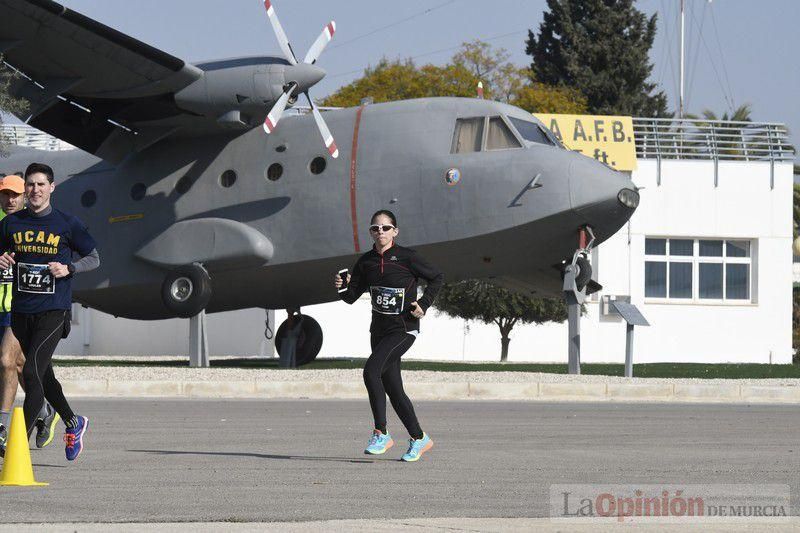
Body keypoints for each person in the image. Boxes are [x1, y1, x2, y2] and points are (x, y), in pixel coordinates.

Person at [0, 163, 100, 461]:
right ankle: (73, 421)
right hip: (21, 312)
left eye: (41, 184)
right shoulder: (11, 224)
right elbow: (3, 256)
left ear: (52, 187)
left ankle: (15, 449)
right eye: (31, 185)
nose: (35, 190)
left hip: (53, 312)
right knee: (44, 377)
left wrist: (69, 267)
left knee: (31, 373)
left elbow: (93, 257)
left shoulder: (67, 224)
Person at [335, 209, 443, 462]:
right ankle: (419, 438)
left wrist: (424, 304)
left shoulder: (408, 257)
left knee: (371, 371)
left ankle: (381, 433)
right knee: (394, 389)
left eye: (385, 228)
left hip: (403, 328)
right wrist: (341, 288)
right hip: (379, 330)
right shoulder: (366, 262)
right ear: (371, 232)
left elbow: (437, 277)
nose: (380, 232)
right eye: (375, 228)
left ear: (395, 231)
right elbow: (351, 297)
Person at [0, 174, 59, 457]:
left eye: (14, 194)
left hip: (19, 310)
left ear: (23, 196)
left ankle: (3, 428)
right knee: (18, 367)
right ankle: (45, 411)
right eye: (4, 195)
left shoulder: (31, 226)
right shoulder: (5, 227)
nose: (9, 200)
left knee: (10, 361)